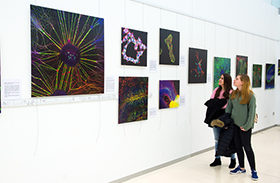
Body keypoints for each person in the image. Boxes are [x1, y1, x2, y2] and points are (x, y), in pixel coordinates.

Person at [225, 74, 258, 181]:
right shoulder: (233, 94)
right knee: (238, 147)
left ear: (243, 82)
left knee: (247, 148)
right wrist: (226, 123)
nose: (234, 80)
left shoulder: (250, 96)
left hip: (245, 127)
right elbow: (228, 110)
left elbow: (252, 113)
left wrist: (247, 126)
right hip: (234, 126)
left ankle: (253, 170)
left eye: (237, 79)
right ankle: (241, 167)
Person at [209, 73, 236, 168]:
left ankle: (233, 159)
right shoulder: (216, 90)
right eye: (220, 78)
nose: (220, 80)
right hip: (216, 117)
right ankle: (217, 158)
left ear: (227, 81)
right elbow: (211, 102)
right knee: (217, 139)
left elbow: (232, 107)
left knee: (228, 139)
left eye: (222, 79)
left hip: (226, 116)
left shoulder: (231, 92)